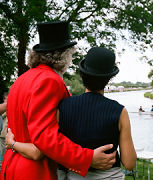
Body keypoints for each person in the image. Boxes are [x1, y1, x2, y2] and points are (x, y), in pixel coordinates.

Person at [0, 21, 116, 180]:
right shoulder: (49, 81)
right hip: (36, 172)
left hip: (11, 166)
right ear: (65, 54)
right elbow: (45, 137)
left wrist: (14, 144)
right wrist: (87, 158)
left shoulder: (20, 80)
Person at [5, 47, 137, 179]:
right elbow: (129, 163)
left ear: (82, 74)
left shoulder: (60, 106)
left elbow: (40, 144)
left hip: (18, 166)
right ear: (109, 78)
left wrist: (13, 144)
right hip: (105, 175)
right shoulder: (120, 111)